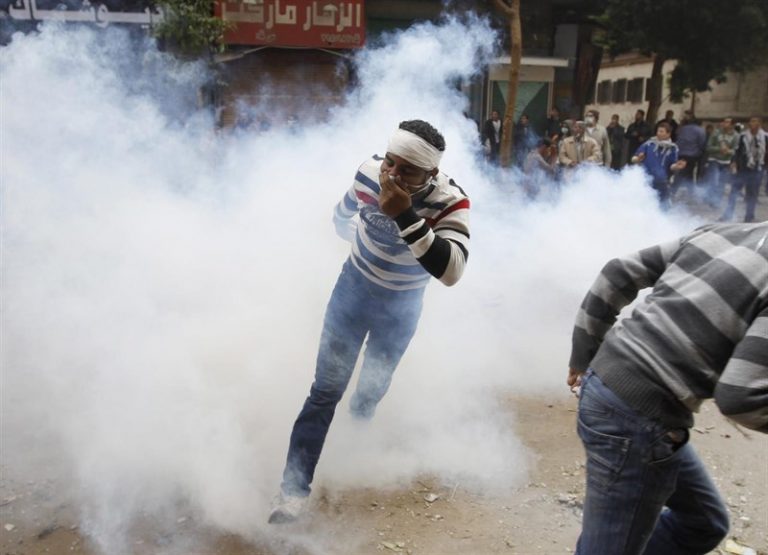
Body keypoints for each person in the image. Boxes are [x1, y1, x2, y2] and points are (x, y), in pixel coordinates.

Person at [269, 120, 470, 523]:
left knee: (367, 394)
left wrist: (405, 216)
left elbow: (451, 272)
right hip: (352, 292)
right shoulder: (368, 172)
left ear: (431, 174)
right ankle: (292, 494)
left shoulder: (451, 202)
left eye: (407, 171)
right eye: (390, 164)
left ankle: (353, 455)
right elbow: (341, 217)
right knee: (325, 391)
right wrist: (366, 253)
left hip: (401, 307)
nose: (392, 176)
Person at [567, 222, 768, 555]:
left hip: (604, 386)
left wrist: (583, 354)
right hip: (639, 420)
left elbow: (618, 272)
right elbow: (740, 397)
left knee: (705, 524)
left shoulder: (725, 231)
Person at [720, 116, 767, 223]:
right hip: (742, 169)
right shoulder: (743, 136)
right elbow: (737, 151)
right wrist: (734, 162)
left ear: (760, 123)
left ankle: (749, 216)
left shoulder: (765, 137)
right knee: (734, 192)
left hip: (757, 169)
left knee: (752, 194)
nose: (751, 123)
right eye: (750, 121)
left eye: (754, 121)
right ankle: (728, 214)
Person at [630, 122, 686, 208]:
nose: (658, 133)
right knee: (643, 205)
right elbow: (633, 159)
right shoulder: (649, 144)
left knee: (662, 206)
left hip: (661, 182)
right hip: (646, 180)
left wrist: (677, 166)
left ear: (668, 134)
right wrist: (638, 159)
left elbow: (671, 166)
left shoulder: (673, 148)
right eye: (658, 131)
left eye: (661, 131)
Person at [704, 117, 739, 209]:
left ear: (732, 125)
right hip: (714, 160)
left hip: (726, 162)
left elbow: (736, 149)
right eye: (724, 121)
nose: (724, 123)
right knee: (714, 181)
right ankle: (711, 198)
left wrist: (729, 151)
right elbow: (708, 147)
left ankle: (716, 202)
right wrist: (719, 149)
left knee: (722, 183)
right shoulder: (716, 133)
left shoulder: (735, 136)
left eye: (727, 122)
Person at [672, 111, 707, 198]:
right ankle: (674, 190)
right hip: (692, 155)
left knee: (686, 172)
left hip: (681, 153)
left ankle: (690, 190)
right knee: (684, 172)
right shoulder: (700, 130)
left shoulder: (681, 129)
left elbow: (678, 139)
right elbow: (702, 143)